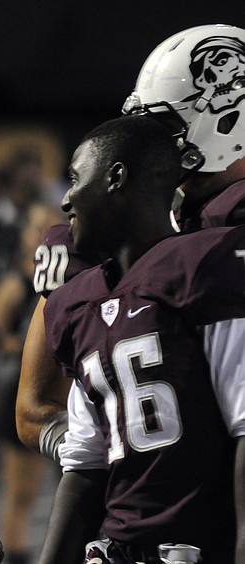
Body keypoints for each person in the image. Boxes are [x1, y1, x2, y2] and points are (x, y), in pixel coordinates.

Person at [15, 23, 245, 463]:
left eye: (166, 125)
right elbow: (32, 412)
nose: (151, 144)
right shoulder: (105, 236)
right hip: (153, 512)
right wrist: (113, 459)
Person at [38, 114, 245, 563]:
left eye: (76, 178)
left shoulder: (209, 264)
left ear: (116, 178)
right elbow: (85, 463)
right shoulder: (75, 301)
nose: (67, 200)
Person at [0, 202, 61, 564]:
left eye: (49, 226)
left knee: (71, 487)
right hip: (22, 388)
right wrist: (33, 347)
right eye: (35, 226)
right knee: (21, 494)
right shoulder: (16, 282)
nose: (41, 234)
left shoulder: (68, 275)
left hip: (63, 393)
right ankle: (14, 557)